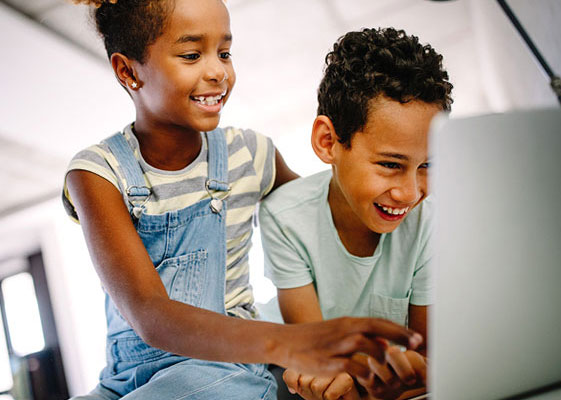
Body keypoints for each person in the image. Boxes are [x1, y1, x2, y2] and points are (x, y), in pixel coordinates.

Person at [63, 1, 423, 398]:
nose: (218, 71)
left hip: (224, 376)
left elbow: (322, 211)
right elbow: (152, 317)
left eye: (224, 52)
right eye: (191, 55)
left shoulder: (250, 154)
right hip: (123, 383)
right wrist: (297, 341)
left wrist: (390, 168)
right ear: (128, 70)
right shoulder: (98, 173)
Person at [259, 27, 453, 400]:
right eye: (390, 165)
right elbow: (320, 362)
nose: (411, 193)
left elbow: (429, 357)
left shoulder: (430, 223)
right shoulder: (283, 218)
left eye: (427, 165)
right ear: (328, 142)